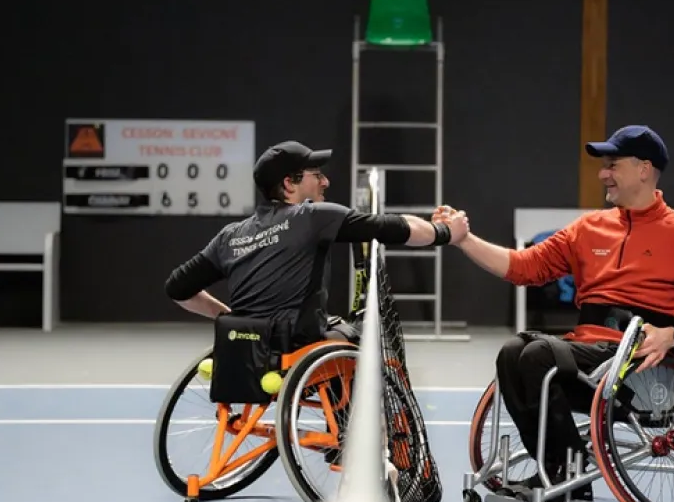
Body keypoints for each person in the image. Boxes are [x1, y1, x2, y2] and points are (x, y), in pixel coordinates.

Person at [433, 125, 674, 502]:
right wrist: (463, 240)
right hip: (588, 358)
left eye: (612, 165)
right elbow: (524, 267)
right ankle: (559, 472)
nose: (602, 173)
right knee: (513, 353)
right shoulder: (588, 228)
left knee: (539, 356)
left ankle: (569, 480)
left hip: (637, 366)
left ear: (644, 169)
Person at [163, 139, 469, 349]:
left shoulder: (230, 235)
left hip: (247, 351)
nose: (325, 182)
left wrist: (231, 321)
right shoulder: (314, 216)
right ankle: (345, 437)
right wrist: (445, 232)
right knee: (357, 345)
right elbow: (396, 227)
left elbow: (178, 288)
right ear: (289, 183)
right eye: (316, 175)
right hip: (300, 346)